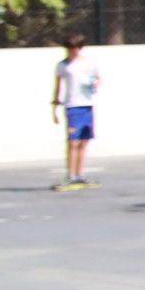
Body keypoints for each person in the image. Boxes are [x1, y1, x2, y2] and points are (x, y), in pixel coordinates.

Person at [51, 34, 101, 191]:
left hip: (87, 105)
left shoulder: (89, 64)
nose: (71, 52)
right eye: (68, 49)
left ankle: (80, 174)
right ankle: (70, 175)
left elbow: (98, 79)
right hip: (72, 106)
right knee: (73, 141)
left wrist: (95, 84)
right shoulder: (63, 66)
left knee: (84, 141)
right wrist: (55, 106)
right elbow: (58, 85)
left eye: (73, 49)